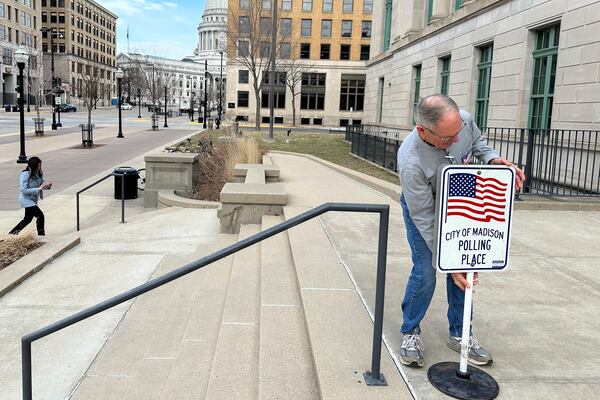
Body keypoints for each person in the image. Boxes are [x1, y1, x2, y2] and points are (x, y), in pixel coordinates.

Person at [397, 95, 525, 367]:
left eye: (458, 133)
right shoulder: (411, 162)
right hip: (426, 209)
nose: (455, 140)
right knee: (427, 270)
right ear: (423, 131)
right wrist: (447, 259)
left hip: (460, 199)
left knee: (466, 268)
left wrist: (493, 160)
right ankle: (410, 330)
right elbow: (424, 217)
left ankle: (460, 333)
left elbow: (478, 143)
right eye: (447, 138)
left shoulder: (462, 121)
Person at [9, 157, 52, 236]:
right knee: (40, 216)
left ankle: (12, 233)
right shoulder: (25, 174)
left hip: (33, 200)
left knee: (27, 219)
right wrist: (38, 189)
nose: (40, 167)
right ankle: (41, 236)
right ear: (33, 165)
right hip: (26, 200)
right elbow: (23, 190)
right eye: (38, 166)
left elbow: (41, 183)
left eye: (40, 165)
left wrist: (47, 185)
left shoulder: (39, 172)